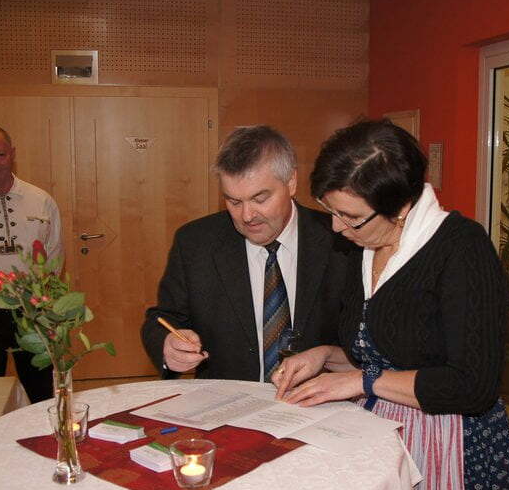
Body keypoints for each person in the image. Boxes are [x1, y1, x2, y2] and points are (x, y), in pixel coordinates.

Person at [274, 119, 509, 490]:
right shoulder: (364, 247)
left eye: (350, 217)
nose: (337, 228)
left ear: (401, 206)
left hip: (452, 443)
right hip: (385, 432)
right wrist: (324, 355)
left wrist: (363, 381)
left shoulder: (462, 249)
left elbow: (472, 385)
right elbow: (379, 349)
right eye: (331, 211)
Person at [140, 125, 355, 382]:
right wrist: (169, 346)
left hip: (320, 397)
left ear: (291, 182)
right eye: (234, 201)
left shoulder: (342, 240)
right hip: (226, 399)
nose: (247, 216)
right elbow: (163, 318)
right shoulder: (195, 243)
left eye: (260, 199)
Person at [0, 124, 63, 403]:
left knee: (42, 390)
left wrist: (47, 306)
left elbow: (55, 255)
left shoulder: (41, 200)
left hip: (32, 314)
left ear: (13, 153)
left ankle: (44, 429)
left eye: (1, 154)